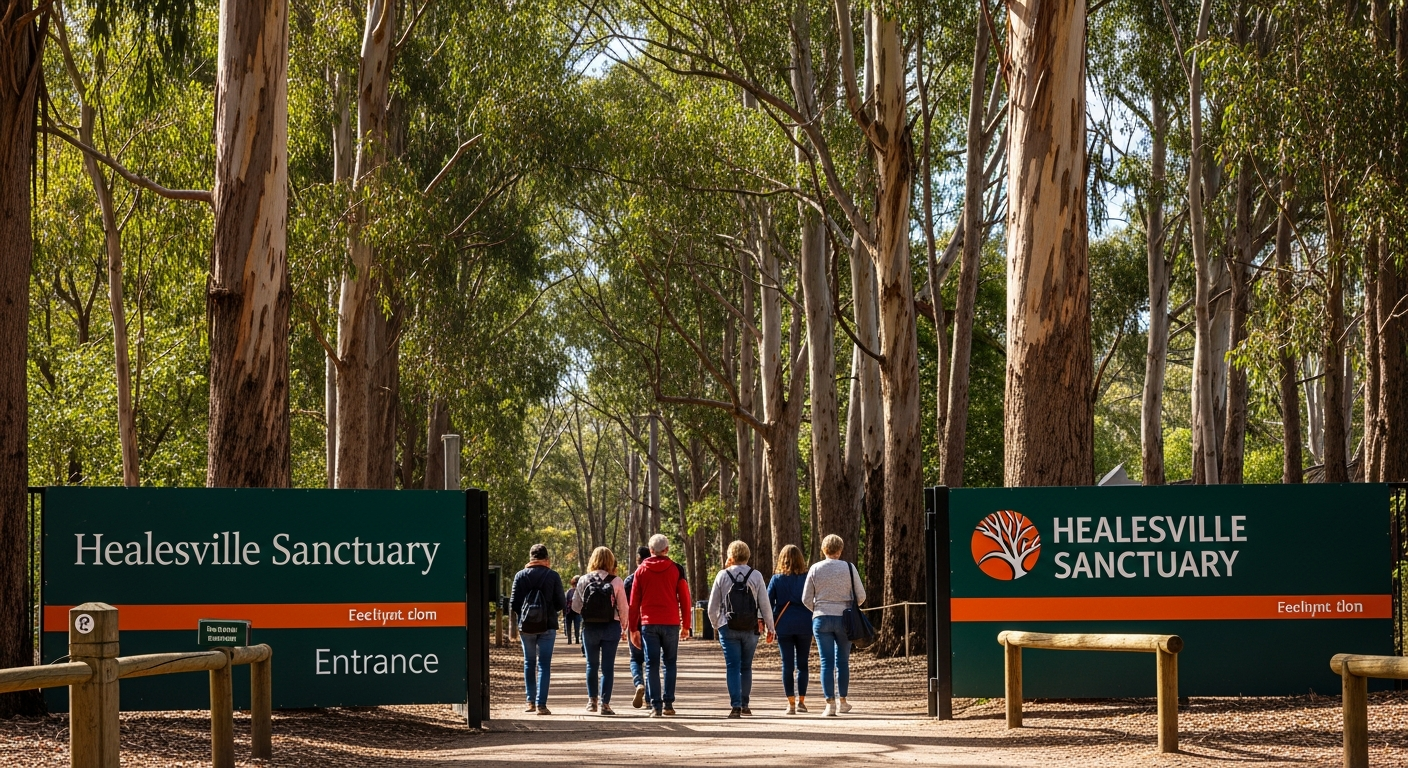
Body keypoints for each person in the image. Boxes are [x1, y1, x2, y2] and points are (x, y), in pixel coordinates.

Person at [707, 540, 774, 718]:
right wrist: (770, 627)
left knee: (732, 666)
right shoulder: (756, 575)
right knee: (746, 666)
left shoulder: (722, 575)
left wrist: (717, 625)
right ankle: (745, 704)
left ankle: (735, 706)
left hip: (728, 626)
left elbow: (712, 607)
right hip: (751, 628)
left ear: (730, 556)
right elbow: (764, 604)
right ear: (748, 556)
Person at [628, 533, 692, 717]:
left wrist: (633, 629)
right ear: (667, 549)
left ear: (650, 550)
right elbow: (685, 598)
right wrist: (686, 625)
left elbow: (634, 603)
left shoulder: (641, 571)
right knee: (670, 663)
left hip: (649, 624)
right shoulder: (676, 569)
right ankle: (668, 704)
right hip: (671, 623)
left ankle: (656, 706)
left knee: (651, 664)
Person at [802, 534, 865, 717]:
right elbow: (861, 596)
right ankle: (843, 701)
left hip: (821, 618)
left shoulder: (815, 568)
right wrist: (849, 606)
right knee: (842, 661)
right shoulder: (849, 568)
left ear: (824, 549)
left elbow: (805, 598)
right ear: (840, 550)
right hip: (845, 618)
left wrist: (818, 608)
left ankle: (829, 704)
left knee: (826, 662)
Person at [509, 543, 566, 715]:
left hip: (526, 627)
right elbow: (561, 603)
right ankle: (542, 705)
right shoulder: (553, 576)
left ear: (530, 558)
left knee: (529, 662)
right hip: (547, 625)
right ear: (546, 559)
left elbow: (514, 603)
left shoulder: (520, 576)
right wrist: (547, 611)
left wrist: (527, 616)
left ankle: (530, 702)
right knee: (544, 664)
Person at [573, 546, 630, 715]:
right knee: (607, 667)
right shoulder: (616, 581)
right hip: (611, 627)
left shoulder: (584, 580)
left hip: (590, 627)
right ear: (610, 561)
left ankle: (592, 701)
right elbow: (623, 607)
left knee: (591, 664)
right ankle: (605, 704)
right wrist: (624, 626)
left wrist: (588, 612)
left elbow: (575, 606)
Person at [767, 543, 814, 714]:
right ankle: (801, 701)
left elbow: (767, 602)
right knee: (802, 664)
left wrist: (769, 624)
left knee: (787, 664)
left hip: (784, 624)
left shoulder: (777, 579)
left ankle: (790, 703)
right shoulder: (808, 578)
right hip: (805, 624)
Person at [621, 545, 654, 708]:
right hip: (652, 622)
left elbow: (626, 606)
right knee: (650, 660)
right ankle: (649, 698)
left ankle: (639, 683)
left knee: (635, 658)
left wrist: (625, 626)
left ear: (637, 560)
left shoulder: (629, 580)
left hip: (635, 623)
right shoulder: (654, 578)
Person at [563, 575, 582, 645]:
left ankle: (570, 640)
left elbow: (564, 602)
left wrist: (564, 613)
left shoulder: (568, 592)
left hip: (569, 612)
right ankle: (576, 639)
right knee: (577, 625)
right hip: (576, 611)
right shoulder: (579, 592)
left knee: (569, 626)